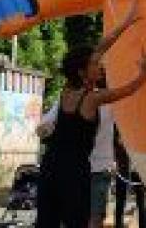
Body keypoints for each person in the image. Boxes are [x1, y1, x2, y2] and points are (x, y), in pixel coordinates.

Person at [35, 3, 146, 228]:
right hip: (73, 170)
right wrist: (144, 74)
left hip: (50, 166)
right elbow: (127, 90)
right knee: (78, 222)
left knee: (47, 222)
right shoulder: (92, 98)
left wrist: (127, 21)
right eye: (95, 65)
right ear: (82, 71)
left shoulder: (67, 91)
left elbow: (101, 46)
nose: (100, 66)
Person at [38, 68, 118, 228]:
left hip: (95, 169)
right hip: (78, 169)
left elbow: (43, 126)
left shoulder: (108, 101)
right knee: (83, 218)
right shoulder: (70, 98)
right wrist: (47, 130)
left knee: (90, 218)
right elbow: (43, 126)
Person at [114, 127, 146, 228]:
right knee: (120, 202)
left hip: (138, 169)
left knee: (141, 202)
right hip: (123, 168)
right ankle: (118, 225)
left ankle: (144, 225)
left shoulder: (141, 128)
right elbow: (115, 142)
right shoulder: (118, 126)